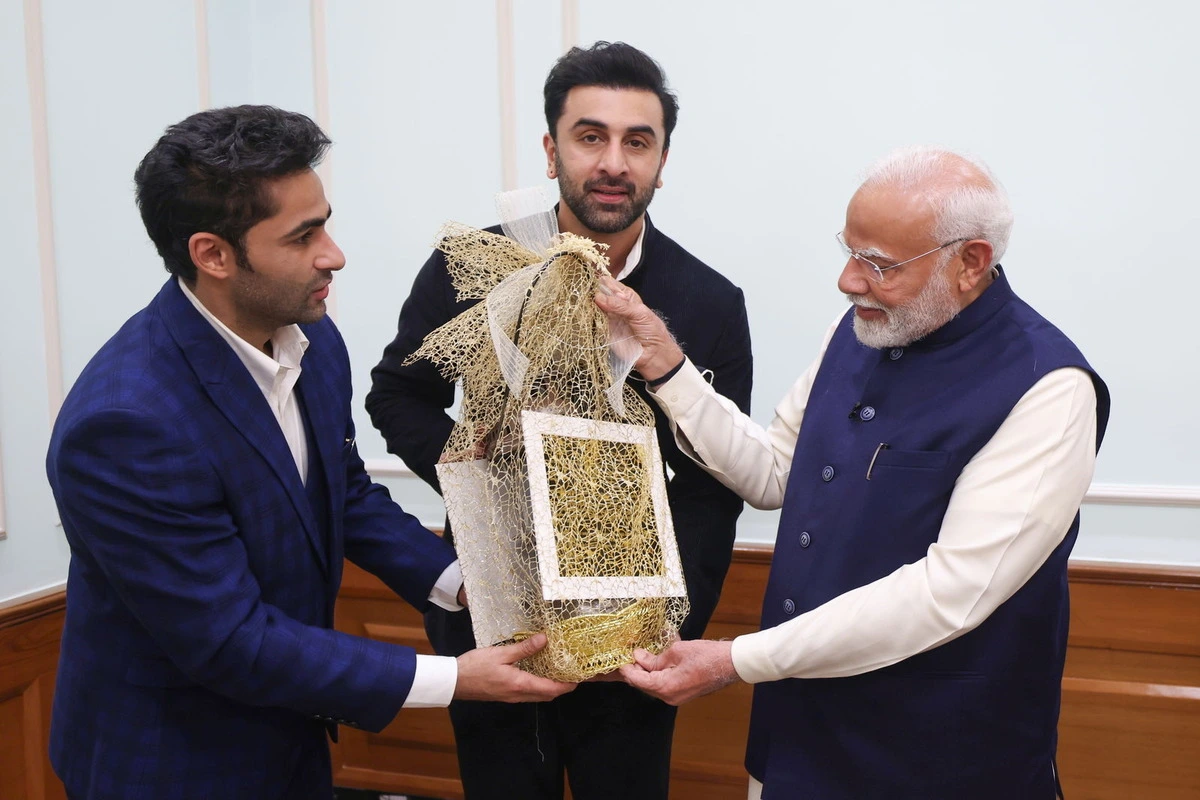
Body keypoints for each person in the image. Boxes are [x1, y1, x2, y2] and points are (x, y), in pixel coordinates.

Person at [44, 105, 573, 800]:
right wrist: (452, 678)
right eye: (303, 236)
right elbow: (229, 639)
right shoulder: (125, 424)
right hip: (172, 762)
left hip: (289, 740)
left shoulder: (312, 343)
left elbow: (345, 496)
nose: (334, 253)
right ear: (213, 255)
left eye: (325, 219)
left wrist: (464, 582)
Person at [600, 147, 1111, 799]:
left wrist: (737, 660)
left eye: (878, 264)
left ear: (970, 262)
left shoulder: (1050, 387)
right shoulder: (861, 327)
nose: (848, 280)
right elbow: (773, 475)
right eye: (849, 250)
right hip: (797, 740)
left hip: (938, 762)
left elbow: (948, 593)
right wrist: (665, 364)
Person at [367, 42, 753, 800]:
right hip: (496, 623)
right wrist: (472, 462)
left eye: (637, 142)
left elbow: (715, 484)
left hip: (637, 639)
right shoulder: (470, 266)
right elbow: (394, 394)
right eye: (590, 136)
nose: (613, 161)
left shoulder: (710, 302)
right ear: (552, 150)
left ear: (662, 161)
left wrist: (677, 621)